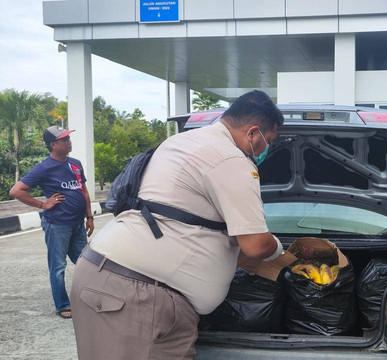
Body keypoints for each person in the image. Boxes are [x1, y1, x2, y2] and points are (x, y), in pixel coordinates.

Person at [70, 90, 285, 359]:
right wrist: (279, 251)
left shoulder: (181, 142)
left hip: (100, 274)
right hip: (138, 298)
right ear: (253, 133)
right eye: (270, 141)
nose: (267, 149)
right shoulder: (231, 159)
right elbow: (255, 245)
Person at [9, 126, 94, 319]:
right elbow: (16, 191)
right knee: (58, 267)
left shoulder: (75, 164)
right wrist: (43, 204)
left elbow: (83, 191)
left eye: (68, 138)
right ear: (53, 145)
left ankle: (87, 299)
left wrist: (89, 217)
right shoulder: (44, 168)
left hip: (77, 224)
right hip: (57, 225)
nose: (68, 141)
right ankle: (63, 305)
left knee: (86, 263)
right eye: (64, 140)